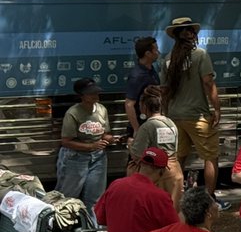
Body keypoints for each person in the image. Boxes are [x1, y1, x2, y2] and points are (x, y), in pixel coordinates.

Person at [161, 17, 222, 203]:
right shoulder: (200, 55)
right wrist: (217, 108)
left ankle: (176, 196)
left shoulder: (168, 60)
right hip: (198, 116)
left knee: (179, 157)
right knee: (210, 157)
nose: (193, 34)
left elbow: (165, 91)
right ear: (189, 34)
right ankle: (210, 198)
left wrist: (165, 113)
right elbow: (208, 82)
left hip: (175, 115)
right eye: (191, 31)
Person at [58, 77, 115, 212]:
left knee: (95, 197)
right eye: (91, 93)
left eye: (96, 92)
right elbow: (66, 141)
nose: (96, 95)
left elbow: (105, 133)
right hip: (75, 158)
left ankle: (93, 230)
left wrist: (110, 139)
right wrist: (91, 146)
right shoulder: (73, 113)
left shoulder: (102, 109)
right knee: (69, 196)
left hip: (98, 158)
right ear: (82, 96)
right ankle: (62, 228)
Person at [128, 89, 183, 206]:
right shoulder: (171, 122)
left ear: (145, 106)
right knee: (173, 209)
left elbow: (137, 154)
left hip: (156, 173)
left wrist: (130, 145)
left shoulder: (147, 126)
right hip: (174, 171)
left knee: (157, 210)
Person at [124, 36, 160, 135]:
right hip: (142, 124)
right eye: (156, 50)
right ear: (148, 54)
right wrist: (137, 129)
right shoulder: (137, 76)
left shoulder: (151, 69)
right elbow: (129, 104)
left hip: (154, 122)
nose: (158, 52)